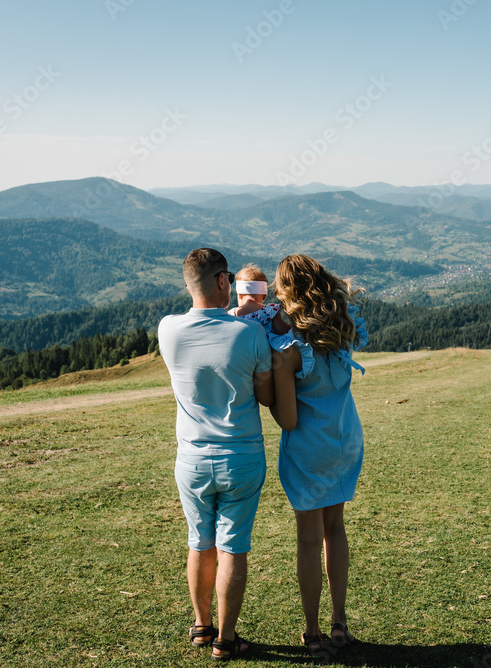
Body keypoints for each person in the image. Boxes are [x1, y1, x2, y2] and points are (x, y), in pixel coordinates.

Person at [157, 248, 273, 662]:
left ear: (188, 285)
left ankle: (201, 626)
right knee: (232, 548)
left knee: (199, 542)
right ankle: (226, 639)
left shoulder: (167, 329)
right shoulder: (250, 335)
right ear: (225, 282)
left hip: (190, 459)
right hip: (241, 456)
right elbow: (265, 393)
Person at [268, 254, 368, 656]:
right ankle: (339, 623)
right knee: (336, 530)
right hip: (345, 442)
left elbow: (288, 420)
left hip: (308, 451)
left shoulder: (289, 348)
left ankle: (312, 633)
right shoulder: (341, 332)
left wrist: (269, 393)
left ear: (288, 293)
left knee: (309, 541)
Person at [227, 263, 290, 336]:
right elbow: (283, 331)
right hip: (264, 347)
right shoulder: (270, 311)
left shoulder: (230, 314)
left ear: (239, 295)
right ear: (264, 296)